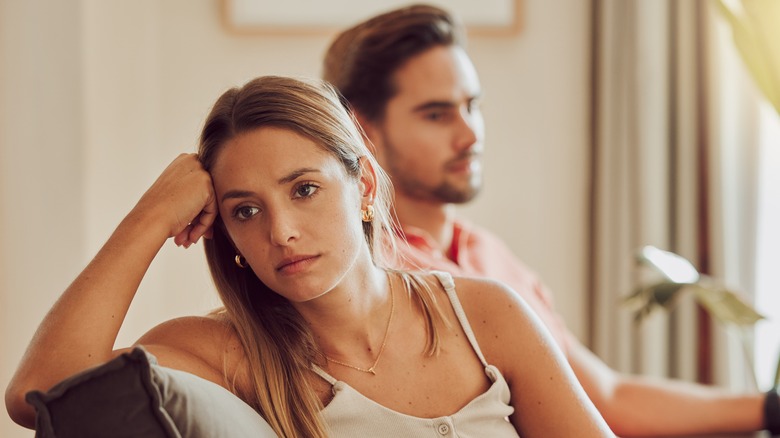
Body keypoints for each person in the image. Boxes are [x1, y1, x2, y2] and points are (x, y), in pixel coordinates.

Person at [5, 76, 614, 437]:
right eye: (245, 209)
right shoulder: (224, 352)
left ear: (366, 189)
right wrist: (150, 215)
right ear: (224, 232)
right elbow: (40, 394)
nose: (282, 231)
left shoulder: (483, 314)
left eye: (304, 189)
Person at [322, 4, 779, 437]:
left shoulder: (489, 254)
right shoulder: (370, 278)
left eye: (473, 106)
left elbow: (606, 395)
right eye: (437, 114)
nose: (470, 134)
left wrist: (770, 408)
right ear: (362, 130)